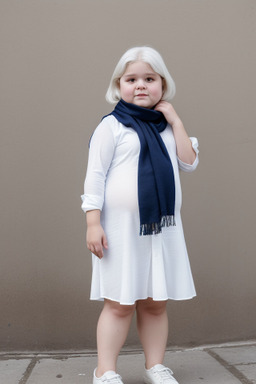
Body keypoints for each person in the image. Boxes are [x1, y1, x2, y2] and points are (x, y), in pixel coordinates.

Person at [81, 46, 199, 384]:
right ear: (119, 85)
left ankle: (155, 366)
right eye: (132, 79)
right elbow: (95, 176)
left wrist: (175, 121)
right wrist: (92, 222)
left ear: (163, 83)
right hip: (120, 231)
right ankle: (105, 371)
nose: (141, 85)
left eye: (150, 78)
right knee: (119, 303)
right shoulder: (112, 127)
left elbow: (189, 162)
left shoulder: (166, 127)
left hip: (161, 231)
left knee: (155, 303)